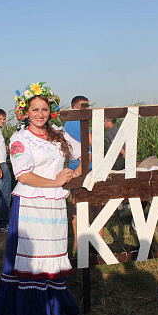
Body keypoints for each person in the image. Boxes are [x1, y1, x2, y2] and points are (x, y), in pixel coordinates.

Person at [0, 88, 82, 315]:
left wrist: (74, 173)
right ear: (25, 113)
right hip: (31, 202)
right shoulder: (20, 139)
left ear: (50, 111)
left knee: (51, 253)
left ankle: (54, 307)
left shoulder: (59, 134)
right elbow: (23, 174)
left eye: (44, 109)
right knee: (33, 257)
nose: (40, 114)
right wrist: (56, 181)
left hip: (54, 204)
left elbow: (86, 153)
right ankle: (32, 312)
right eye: (35, 110)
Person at [63, 96, 93, 249]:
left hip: (77, 163)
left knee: (78, 203)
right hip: (83, 165)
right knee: (83, 204)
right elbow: (93, 142)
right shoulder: (76, 121)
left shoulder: (69, 122)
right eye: (84, 106)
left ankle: (78, 241)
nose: (87, 109)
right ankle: (82, 241)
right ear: (75, 108)